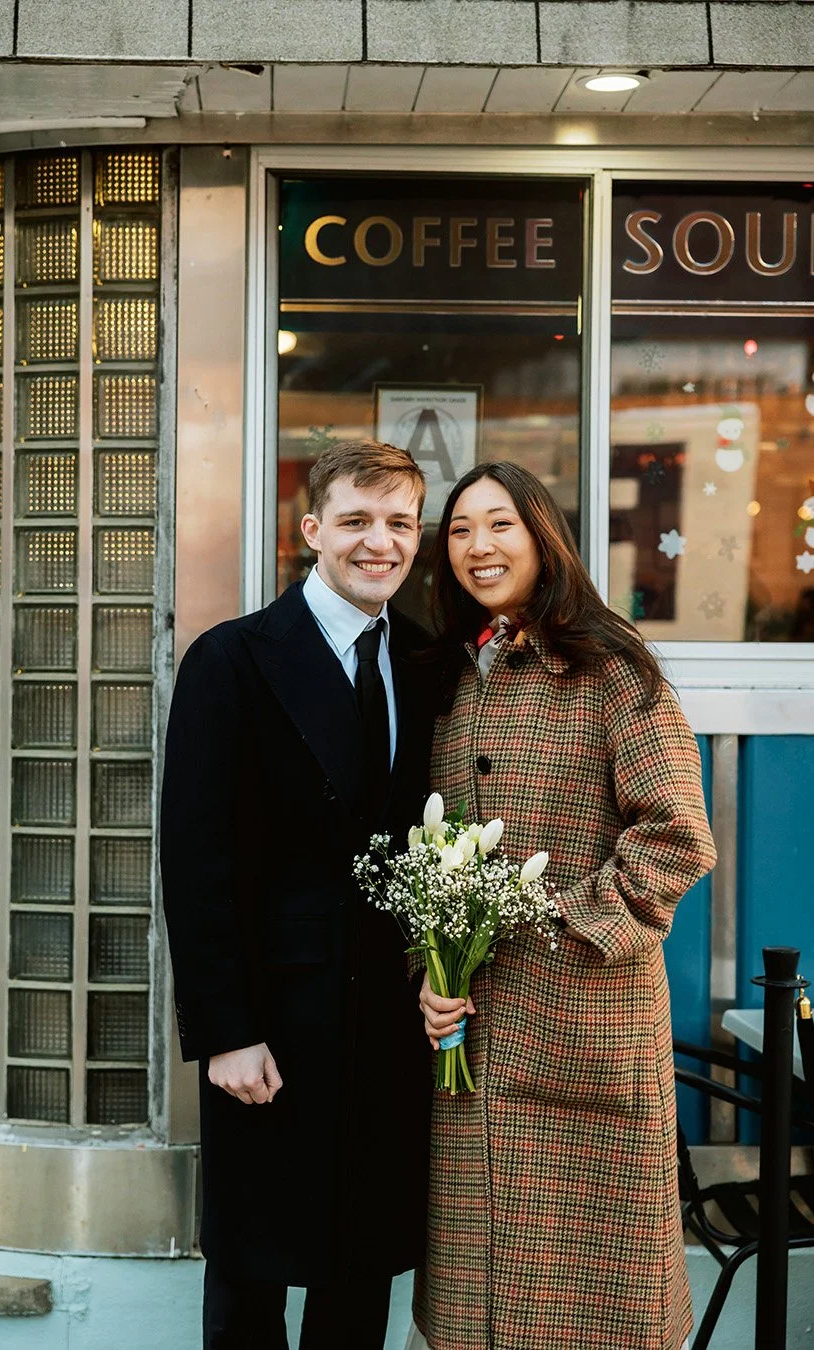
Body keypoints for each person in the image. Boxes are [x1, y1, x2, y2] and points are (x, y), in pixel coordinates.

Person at [408, 461, 717, 1350]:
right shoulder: (453, 678)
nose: (479, 547)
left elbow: (676, 839)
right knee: (479, 1308)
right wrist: (434, 973)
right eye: (460, 530)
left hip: (588, 1026)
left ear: (544, 536)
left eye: (500, 525)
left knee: (596, 1312)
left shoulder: (613, 668)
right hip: (473, 1046)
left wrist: (542, 923)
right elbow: (435, 862)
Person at [160, 439, 434, 1350]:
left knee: (359, 1275)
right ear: (310, 529)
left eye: (399, 523)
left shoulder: (427, 661)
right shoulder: (233, 659)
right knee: (253, 1274)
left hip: (385, 1027)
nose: (378, 543)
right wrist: (225, 1031)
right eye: (356, 520)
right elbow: (196, 860)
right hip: (271, 1022)